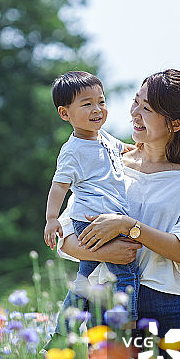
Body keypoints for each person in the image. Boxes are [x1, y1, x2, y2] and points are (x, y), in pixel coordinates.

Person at [57, 69, 180, 359]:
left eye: (147, 109)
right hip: (109, 304)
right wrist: (107, 252)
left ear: (175, 124)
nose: (134, 113)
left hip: (167, 304)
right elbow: (65, 235)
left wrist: (130, 227)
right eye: (135, 102)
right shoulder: (106, 162)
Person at [44, 71, 140, 339]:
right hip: (93, 219)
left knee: (83, 281)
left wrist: (151, 152)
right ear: (65, 114)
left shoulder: (104, 137)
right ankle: (126, 326)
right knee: (127, 272)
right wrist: (52, 219)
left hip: (103, 217)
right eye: (87, 104)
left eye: (101, 101)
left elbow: (127, 149)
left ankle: (61, 337)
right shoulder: (72, 150)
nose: (97, 109)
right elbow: (59, 186)